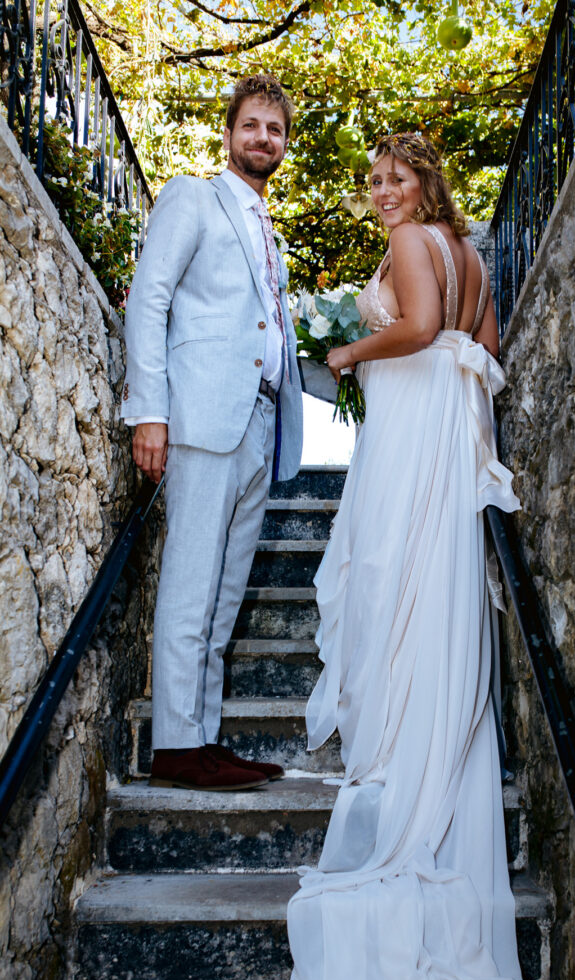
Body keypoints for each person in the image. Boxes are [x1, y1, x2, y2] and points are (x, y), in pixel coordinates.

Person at [285, 134, 547, 980]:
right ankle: (422, 735)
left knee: (393, 582)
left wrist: (346, 351)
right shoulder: (470, 250)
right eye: (376, 180)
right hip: (442, 425)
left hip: (415, 432)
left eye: (396, 177)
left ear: (424, 182)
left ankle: (399, 750)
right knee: (422, 588)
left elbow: (421, 325)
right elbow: (472, 338)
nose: (383, 191)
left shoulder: (414, 248)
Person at [122, 75, 303, 790]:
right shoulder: (193, 198)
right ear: (229, 134)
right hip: (200, 418)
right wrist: (151, 411)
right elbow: (150, 299)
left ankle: (201, 735)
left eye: (276, 130)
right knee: (191, 586)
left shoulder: (269, 232)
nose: (264, 139)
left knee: (225, 594)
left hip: (259, 421)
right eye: (253, 126)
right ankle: (174, 745)